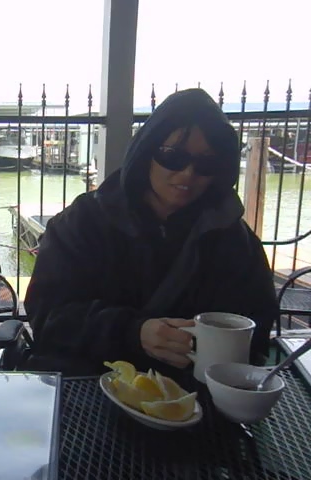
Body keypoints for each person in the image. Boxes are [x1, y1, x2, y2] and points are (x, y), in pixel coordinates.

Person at [24, 88, 278, 378]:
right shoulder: (82, 222)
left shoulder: (234, 240)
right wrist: (132, 332)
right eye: (173, 156)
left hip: (193, 391)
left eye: (206, 163)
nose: (188, 173)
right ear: (146, 153)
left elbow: (257, 324)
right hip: (90, 381)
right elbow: (47, 314)